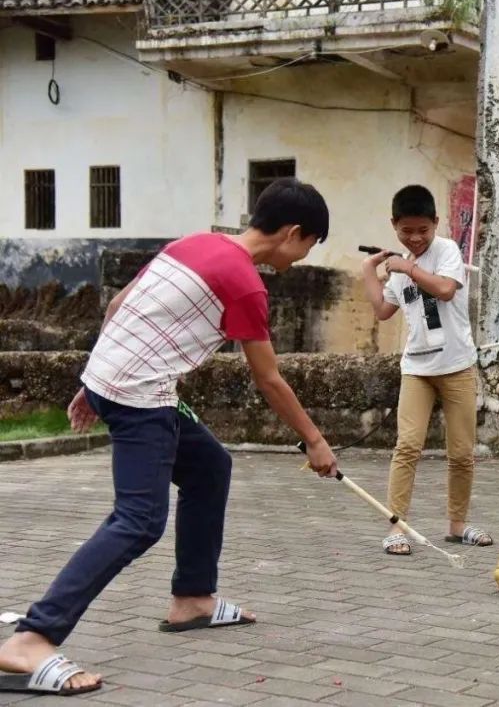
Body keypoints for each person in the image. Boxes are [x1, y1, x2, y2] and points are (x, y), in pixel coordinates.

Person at [0, 178, 339, 698]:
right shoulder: (246, 283)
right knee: (138, 520)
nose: (305, 255)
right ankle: (33, 638)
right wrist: (315, 440)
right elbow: (268, 377)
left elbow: (120, 309)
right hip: (141, 396)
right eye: (311, 244)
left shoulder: (193, 242)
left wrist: (95, 383)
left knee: (209, 467)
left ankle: (193, 600)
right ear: (293, 233)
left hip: (117, 379)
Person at [360, 184, 492, 556]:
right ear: (394, 226)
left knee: (462, 452)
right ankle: (396, 527)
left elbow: (447, 289)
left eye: (423, 229)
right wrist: (370, 271)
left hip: (456, 366)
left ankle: (458, 525)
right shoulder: (399, 267)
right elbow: (384, 310)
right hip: (416, 368)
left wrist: (408, 268)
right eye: (406, 231)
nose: (415, 238)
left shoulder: (446, 251)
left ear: (435, 223)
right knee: (407, 446)